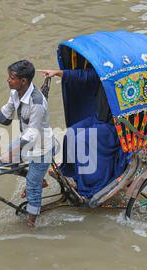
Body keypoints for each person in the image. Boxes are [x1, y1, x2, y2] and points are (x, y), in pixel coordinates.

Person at [0, 60, 54, 227]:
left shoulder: (37, 102)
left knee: (31, 188)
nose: (8, 80)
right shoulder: (15, 93)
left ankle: (31, 224)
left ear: (23, 81)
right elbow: (6, 110)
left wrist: (17, 148)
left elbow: (33, 132)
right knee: (5, 161)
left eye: (11, 78)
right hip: (26, 141)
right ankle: (39, 180)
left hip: (41, 148)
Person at [37, 68, 128, 198]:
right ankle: (71, 173)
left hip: (114, 126)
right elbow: (85, 75)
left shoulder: (125, 76)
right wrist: (56, 73)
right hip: (99, 119)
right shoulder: (105, 69)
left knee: (82, 139)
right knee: (71, 133)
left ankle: (87, 185)